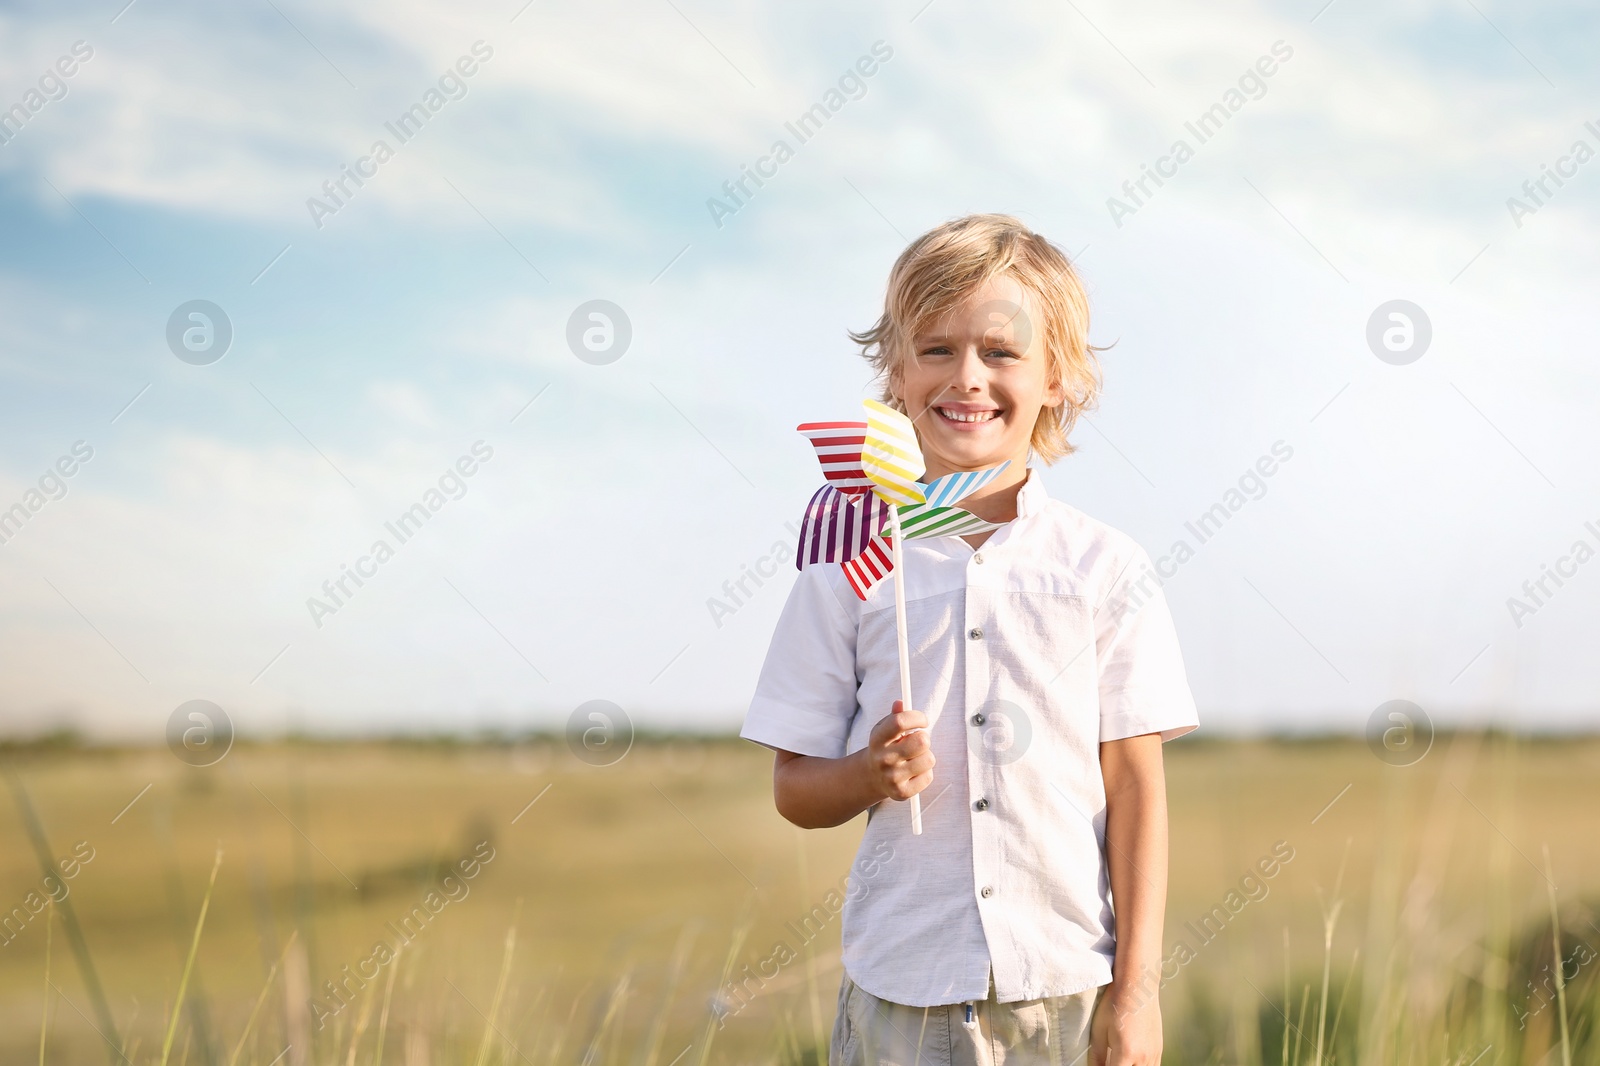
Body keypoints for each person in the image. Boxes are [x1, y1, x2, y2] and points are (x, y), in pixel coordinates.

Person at [741, 213, 1198, 1066]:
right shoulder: (850, 562)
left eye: (1001, 351)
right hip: (900, 994)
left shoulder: (1104, 566)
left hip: (1062, 991)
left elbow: (1135, 787)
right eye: (937, 349)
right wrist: (865, 773)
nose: (968, 378)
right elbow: (795, 788)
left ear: (1058, 375)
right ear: (897, 372)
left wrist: (1135, 996)